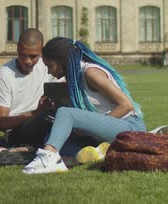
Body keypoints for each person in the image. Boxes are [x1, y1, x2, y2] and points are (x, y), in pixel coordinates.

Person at [23, 38, 147, 174]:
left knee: (65, 113)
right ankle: (101, 154)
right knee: (50, 138)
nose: (48, 72)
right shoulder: (74, 79)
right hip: (111, 131)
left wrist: (95, 126)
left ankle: (47, 160)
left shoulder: (91, 73)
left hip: (130, 126)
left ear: (62, 62)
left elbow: (126, 105)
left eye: (50, 66)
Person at [0, 28, 57, 147]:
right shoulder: (5, 73)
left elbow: (63, 87)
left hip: (44, 120)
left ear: (41, 51)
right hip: (17, 131)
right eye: (23, 55)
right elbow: (1, 123)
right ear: (17, 48)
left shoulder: (46, 65)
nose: (27, 61)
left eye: (33, 56)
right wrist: (34, 113)